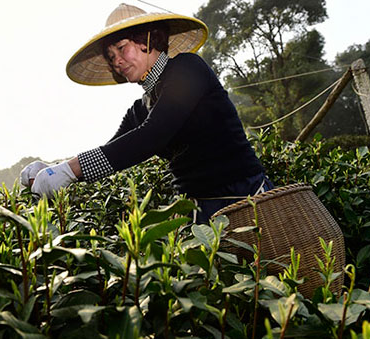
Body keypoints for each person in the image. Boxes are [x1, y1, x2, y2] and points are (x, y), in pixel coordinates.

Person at [21, 3, 273, 224]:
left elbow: (153, 135)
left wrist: (69, 170)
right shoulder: (140, 109)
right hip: (195, 212)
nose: (116, 61)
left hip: (246, 200)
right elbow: (113, 151)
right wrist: (55, 168)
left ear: (148, 39)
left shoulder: (188, 69)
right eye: (111, 57)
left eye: (121, 48)